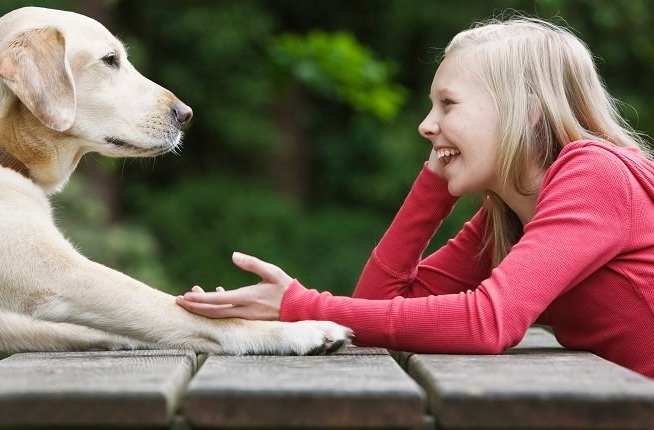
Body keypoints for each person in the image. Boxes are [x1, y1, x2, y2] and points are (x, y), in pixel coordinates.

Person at [175, 16, 654, 377]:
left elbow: (487, 323)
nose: (426, 124)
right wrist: (433, 186)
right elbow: (378, 305)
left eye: (448, 104)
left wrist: (299, 306)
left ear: (525, 110)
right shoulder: (508, 215)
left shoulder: (595, 173)